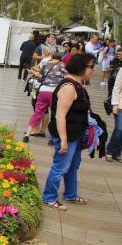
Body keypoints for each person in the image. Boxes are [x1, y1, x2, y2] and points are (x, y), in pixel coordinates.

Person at [42, 53, 95, 210]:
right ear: (81, 67)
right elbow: (59, 116)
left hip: (75, 134)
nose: (92, 70)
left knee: (72, 166)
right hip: (67, 135)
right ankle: (49, 197)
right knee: (60, 167)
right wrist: (64, 140)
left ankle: (70, 194)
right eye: (91, 67)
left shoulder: (77, 85)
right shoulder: (69, 87)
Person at [22, 46, 64, 142]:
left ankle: (27, 135)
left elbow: (40, 77)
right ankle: (53, 138)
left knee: (37, 113)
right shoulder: (63, 66)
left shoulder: (46, 65)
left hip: (43, 91)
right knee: (55, 114)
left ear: (52, 54)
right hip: (54, 93)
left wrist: (32, 72)